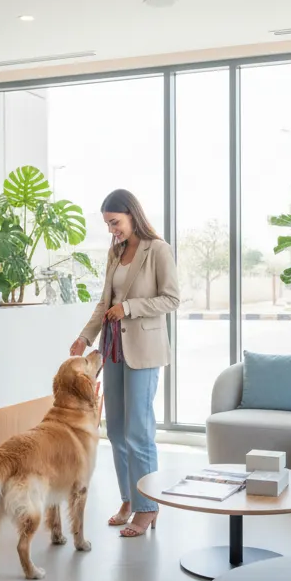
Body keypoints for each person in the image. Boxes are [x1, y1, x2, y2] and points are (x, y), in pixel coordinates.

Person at [71, 189, 180, 537]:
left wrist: (130, 308)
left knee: (138, 431)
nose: (111, 230)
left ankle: (148, 506)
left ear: (132, 215)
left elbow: (171, 299)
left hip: (144, 350)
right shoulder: (114, 252)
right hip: (113, 348)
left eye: (115, 222)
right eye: (107, 224)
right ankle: (129, 499)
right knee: (116, 431)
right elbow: (105, 303)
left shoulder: (158, 250)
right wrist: (85, 337)